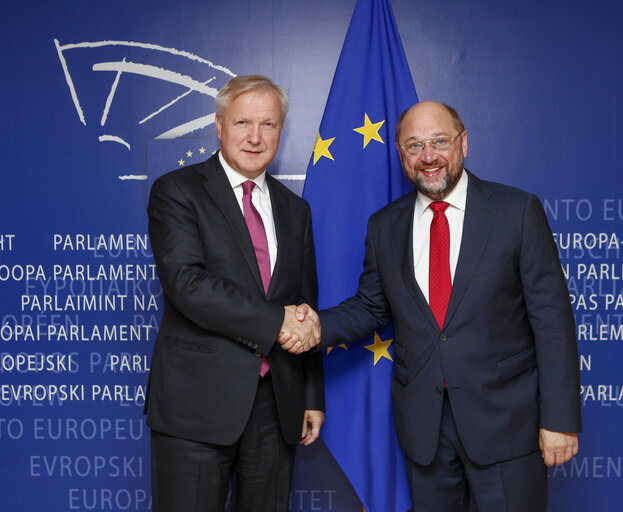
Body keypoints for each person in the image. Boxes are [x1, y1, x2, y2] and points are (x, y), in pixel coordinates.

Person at [285, 101, 581, 511]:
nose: (428, 157)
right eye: (414, 146)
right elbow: (370, 308)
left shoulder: (516, 211)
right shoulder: (384, 225)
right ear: (401, 155)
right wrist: (311, 326)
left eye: (440, 141)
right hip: (425, 431)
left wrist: (560, 420)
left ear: (463, 143)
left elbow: (553, 322)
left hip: (507, 425)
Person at [146, 74, 324, 512]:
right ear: (219, 124)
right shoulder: (177, 191)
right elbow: (188, 285)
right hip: (196, 407)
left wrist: (311, 396)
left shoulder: (295, 209)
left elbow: (305, 304)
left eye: (269, 124)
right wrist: (275, 322)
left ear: (281, 131)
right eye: (243, 122)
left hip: (276, 405)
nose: (256, 137)